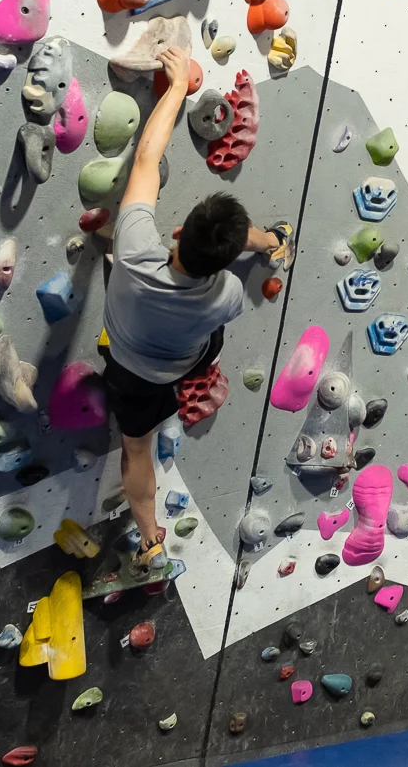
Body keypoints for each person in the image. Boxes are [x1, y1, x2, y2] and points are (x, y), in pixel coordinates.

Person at [101, 46, 293, 571]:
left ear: (178, 232)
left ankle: (150, 539)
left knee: (135, 448)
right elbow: (223, 265)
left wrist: (176, 85)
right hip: (181, 364)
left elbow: (146, 157)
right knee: (236, 260)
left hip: (126, 366)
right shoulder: (225, 294)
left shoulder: (133, 247)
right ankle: (274, 241)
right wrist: (250, 240)